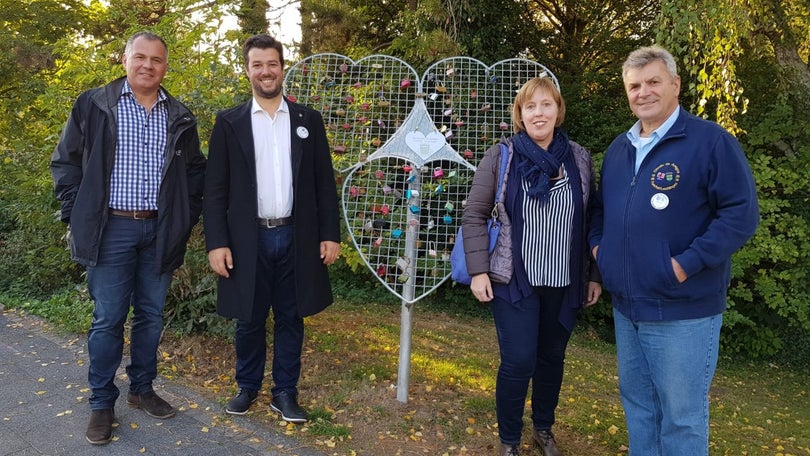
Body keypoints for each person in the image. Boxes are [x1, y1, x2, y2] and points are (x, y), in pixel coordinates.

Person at [588, 45, 759, 455]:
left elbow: (740, 215)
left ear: (675, 85)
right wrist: (600, 252)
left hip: (684, 310)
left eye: (652, 82)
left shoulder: (711, 142)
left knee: (681, 418)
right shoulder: (619, 149)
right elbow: (598, 211)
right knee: (640, 408)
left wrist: (683, 265)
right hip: (628, 309)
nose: (642, 92)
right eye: (634, 85)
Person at [50, 31, 206, 445]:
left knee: (151, 316)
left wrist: (184, 218)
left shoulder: (180, 115)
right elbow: (66, 162)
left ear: (165, 67)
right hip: (110, 228)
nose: (148, 66)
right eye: (141, 57)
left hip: (159, 228)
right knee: (108, 320)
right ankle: (102, 403)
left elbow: (194, 173)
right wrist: (75, 212)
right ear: (125, 60)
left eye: (157, 60)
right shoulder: (94, 104)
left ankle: (142, 389)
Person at [203, 34, 340, 423]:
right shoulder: (229, 123)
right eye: (257, 65)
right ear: (247, 70)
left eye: (272, 64)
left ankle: (284, 393)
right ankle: (247, 387)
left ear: (283, 67)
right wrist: (217, 243)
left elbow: (323, 183)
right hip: (249, 239)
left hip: (297, 237)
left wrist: (330, 233)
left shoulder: (307, 120)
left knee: (291, 317)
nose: (266, 71)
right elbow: (215, 191)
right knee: (249, 318)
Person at [462, 77, 602, 456]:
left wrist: (594, 274)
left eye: (546, 105)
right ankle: (510, 440)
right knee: (518, 361)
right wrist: (478, 271)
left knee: (551, 358)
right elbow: (474, 213)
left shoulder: (579, 157)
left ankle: (543, 429)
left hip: (565, 282)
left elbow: (592, 218)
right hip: (514, 281)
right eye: (530, 106)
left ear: (558, 110)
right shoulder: (502, 155)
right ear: (520, 115)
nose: (538, 113)